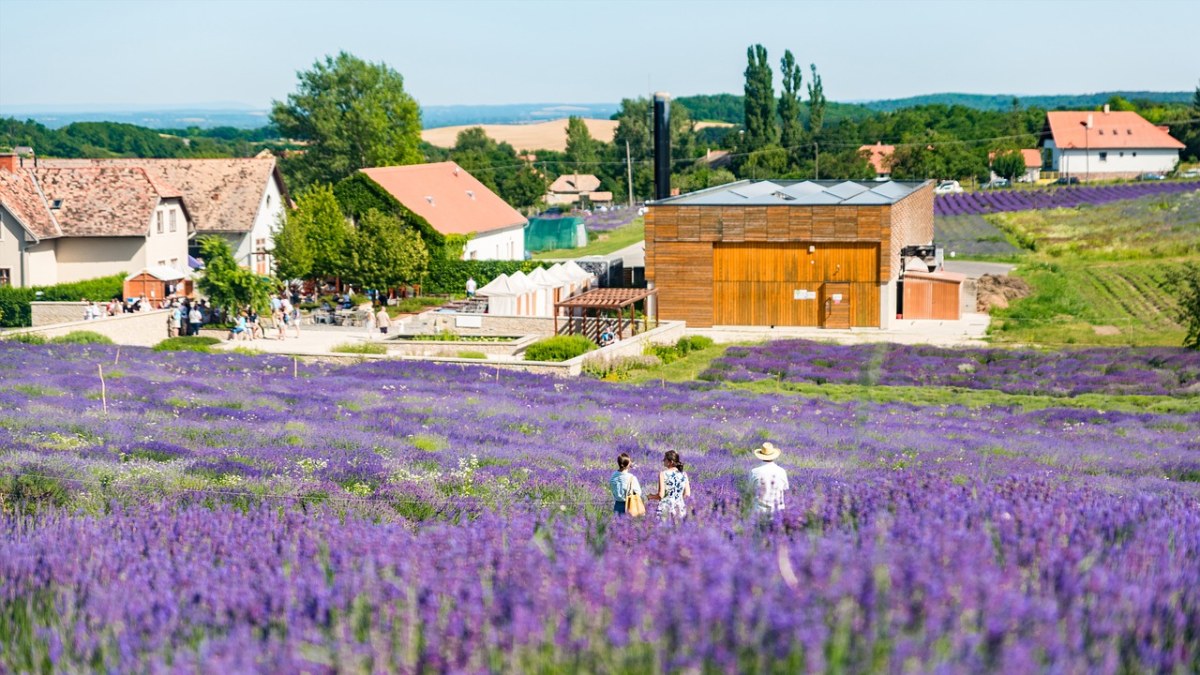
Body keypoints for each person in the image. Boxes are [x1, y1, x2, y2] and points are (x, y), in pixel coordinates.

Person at [648, 450, 690, 520]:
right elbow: (687, 494)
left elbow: (661, 495)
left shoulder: (663, 474)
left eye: (665, 459)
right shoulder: (684, 474)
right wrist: (677, 500)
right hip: (680, 509)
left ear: (671, 462)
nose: (663, 460)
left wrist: (650, 496)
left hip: (665, 508)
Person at [749, 442, 789, 514]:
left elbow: (750, 491)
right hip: (778, 512)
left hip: (760, 511)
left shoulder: (754, 472)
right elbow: (785, 490)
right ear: (773, 456)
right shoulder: (782, 471)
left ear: (761, 455)